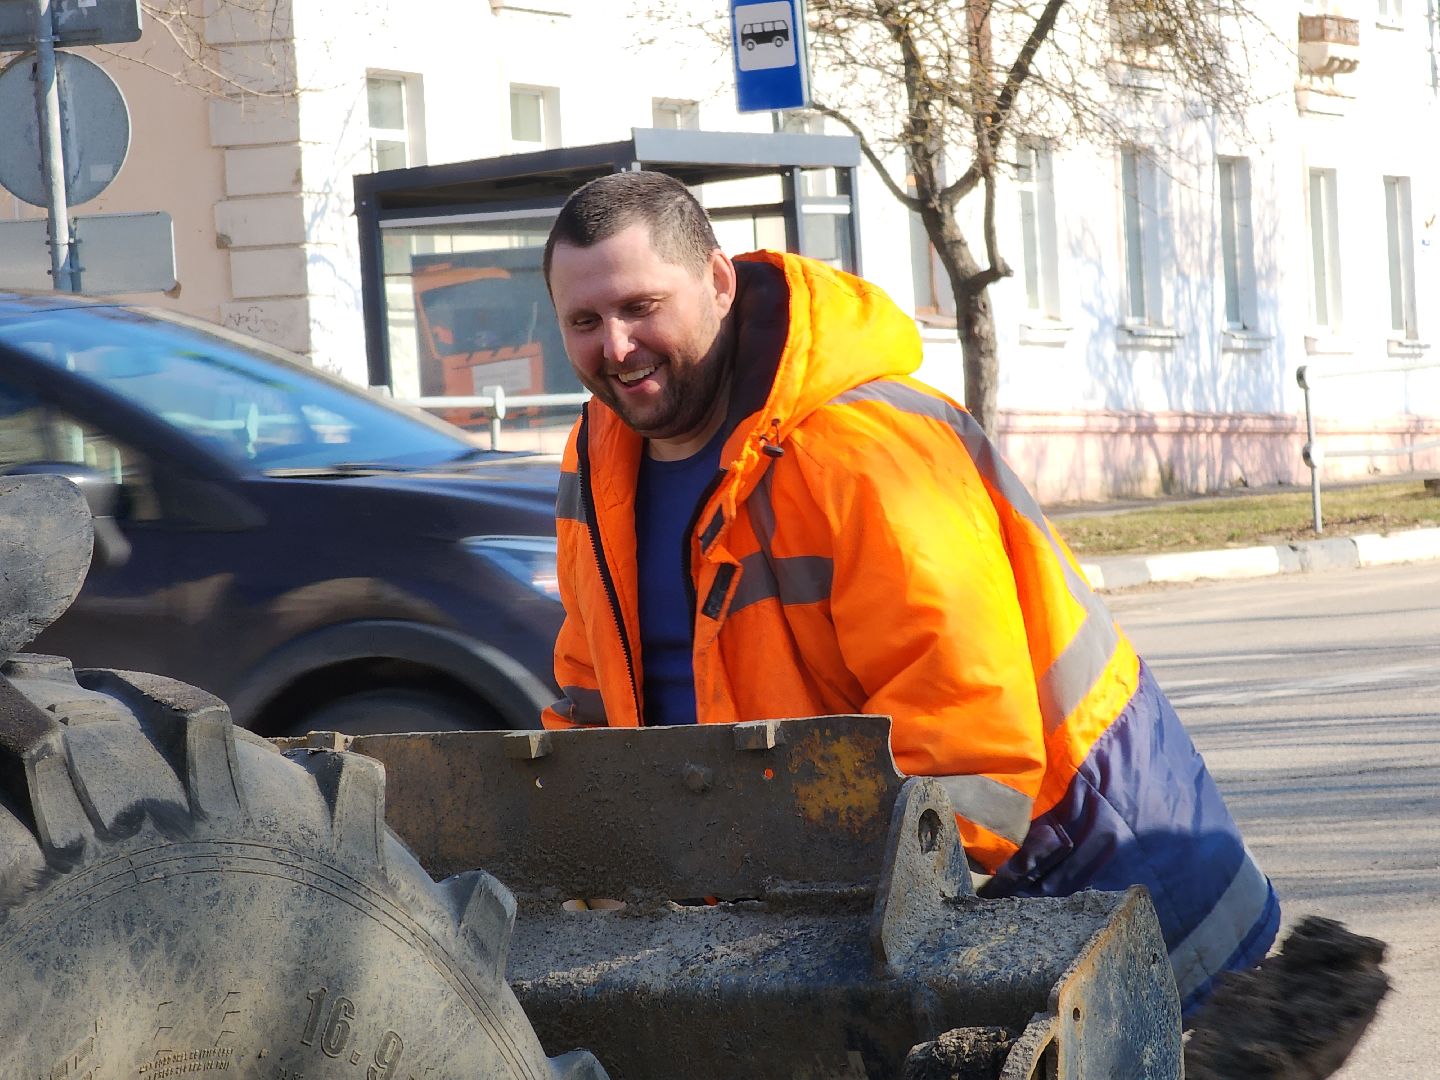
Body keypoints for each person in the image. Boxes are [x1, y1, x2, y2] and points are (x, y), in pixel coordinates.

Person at [539, 170, 1279, 1017]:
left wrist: (861, 952)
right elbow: (595, 695)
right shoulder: (597, 462)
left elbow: (964, 732)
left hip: (1080, 890)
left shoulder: (860, 450)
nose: (618, 346)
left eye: (640, 307)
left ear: (715, 280)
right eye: (585, 322)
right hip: (831, 918)